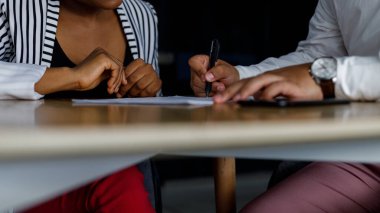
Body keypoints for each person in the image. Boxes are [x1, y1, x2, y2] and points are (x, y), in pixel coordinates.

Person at [189, 0, 380, 212]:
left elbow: (321, 70)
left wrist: (327, 77)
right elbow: (319, 57)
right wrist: (243, 80)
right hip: (365, 153)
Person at [0, 0, 161, 212]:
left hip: (123, 181)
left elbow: (151, 133)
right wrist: (72, 77)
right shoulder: (12, 8)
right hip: (34, 185)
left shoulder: (142, 15)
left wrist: (148, 94)